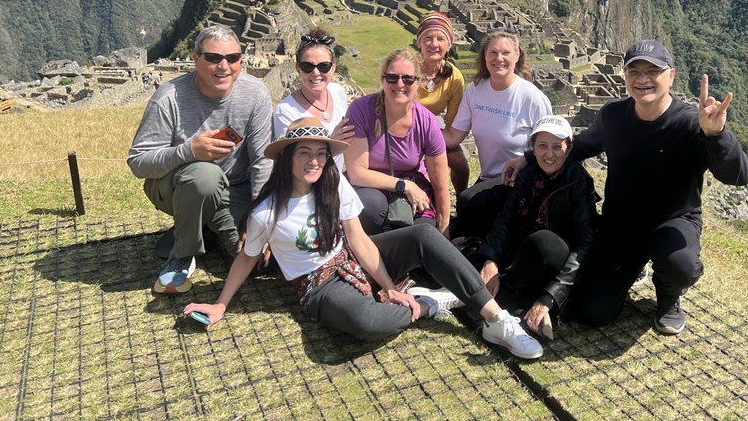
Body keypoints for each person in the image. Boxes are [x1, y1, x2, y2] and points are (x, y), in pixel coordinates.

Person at [183, 118, 543, 359]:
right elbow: (247, 257)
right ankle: (432, 304)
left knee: (422, 234)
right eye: (304, 152)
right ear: (287, 157)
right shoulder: (267, 212)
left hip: (352, 257)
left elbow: (356, 237)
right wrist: (221, 304)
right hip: (319, 286)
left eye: (321, 153)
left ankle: (497, 321)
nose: (314, 161)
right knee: (369, 323)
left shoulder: (332, 182)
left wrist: (388, 286)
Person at [504, 40, 748, 335]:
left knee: (679, 264)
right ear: (625, 76)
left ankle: (669, 294)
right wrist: (530, 158)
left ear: (670, 76)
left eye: (653, 71)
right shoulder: (613, 116)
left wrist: (717, 135)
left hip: (674, 221)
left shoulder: (690, 123)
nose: (642, 79)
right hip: (621, 224)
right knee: (595, 312)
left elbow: (738, 175)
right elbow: (579, 147)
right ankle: (636, 268)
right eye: (634, 71)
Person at [127, 25, 274, 295]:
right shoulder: (168, 98)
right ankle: (182, 253)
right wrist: (189, 151)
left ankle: (205, 227)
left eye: (232, 58)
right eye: (213, 58)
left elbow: (262, 161)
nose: (224, 66)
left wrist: (258, 222)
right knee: (205, 176)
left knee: (258, 262)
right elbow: (138, 162)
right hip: (179, 187)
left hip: (235, 189)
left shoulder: (255, 94)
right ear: (195, 59)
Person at [471, 115, 597, 340]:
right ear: (533, 148)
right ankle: (519, 307)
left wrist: (549, 296)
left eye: (557, 147)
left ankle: (508, 297)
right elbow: (506, 218)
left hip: (555, 263)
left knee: (544, 243)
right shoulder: (528, 175)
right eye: (542, 146)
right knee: (474, 248)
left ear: (568, 150)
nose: (549, 154)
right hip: (522, 257)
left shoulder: (579, 182)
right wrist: (491, 261)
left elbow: (584, 243)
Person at [443, 29, 552, 238]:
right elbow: (454, 136)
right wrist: (415, 134)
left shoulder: (532, 99)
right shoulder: (475, 90)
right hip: (489, 177)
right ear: (485, 55)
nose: (498, 59)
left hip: (522, 179)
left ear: (517, 55)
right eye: (493, 52)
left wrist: (525, 161)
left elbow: (551, 148)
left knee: (468, 203)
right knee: (468, 209)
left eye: (505, 53)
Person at [344, 49, 451, 235]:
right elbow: (357, 173)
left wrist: (445, 226)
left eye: (408, 78)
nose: (400, 84)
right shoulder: (361, 110)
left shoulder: (426, 121)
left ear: (419, 82)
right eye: (392, 78)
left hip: (415, 186)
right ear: (383, 79)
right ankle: (374, 254)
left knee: (424, 233)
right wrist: (404, 185)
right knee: (369, 207)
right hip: (370, 186)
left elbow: (440, 183)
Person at [273, 27, 354, 170]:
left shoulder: (338, 92)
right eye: (307, 66)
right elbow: (290, 164)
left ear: (333, 68)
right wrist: (331, 144)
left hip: (338, 182)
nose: (316, 73)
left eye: (324, 66)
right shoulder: (285, 112)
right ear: (298, 69)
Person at [414, 12, 470, 194]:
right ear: (419, 42)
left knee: (460, 165)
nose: (434, 44)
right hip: (402, 130)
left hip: (432, 132)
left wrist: (431, 144)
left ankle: (462, 205)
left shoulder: (454, 77)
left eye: (440, 38)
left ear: (448, 45)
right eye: (428, 38)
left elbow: (452, 125)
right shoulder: (407, 70)